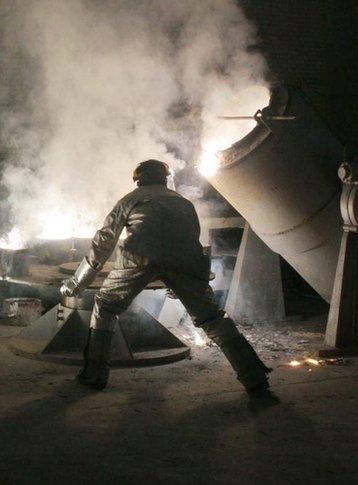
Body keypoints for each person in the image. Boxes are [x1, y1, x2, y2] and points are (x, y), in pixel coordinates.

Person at [60, 160, 272, 398]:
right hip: (186, 263)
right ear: (165, 179)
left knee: (106, 305)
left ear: (138, 180)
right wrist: (187, 282)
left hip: (140, 259)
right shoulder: (183, 203)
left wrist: (76, 284)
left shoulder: (129, 201)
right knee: (213, 318)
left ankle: (94, 375)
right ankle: (255, 379)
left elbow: (103, 244)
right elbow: (192, 239)